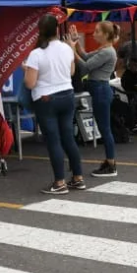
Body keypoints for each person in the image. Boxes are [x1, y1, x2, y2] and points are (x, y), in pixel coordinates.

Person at [25, 14, 85, 194]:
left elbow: (30, 83)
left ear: (39, 31)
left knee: (53, 140)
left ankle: (59, 182)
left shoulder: (36, 53)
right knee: (68, 137)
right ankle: (78, 177)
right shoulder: (66, 49)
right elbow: (72, 70)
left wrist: (26, 69)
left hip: (46, 98)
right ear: (57, 29)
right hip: (67, 94)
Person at [71, 21, 120, 178]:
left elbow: (85, 66)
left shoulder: (108, 52)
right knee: (103, 127)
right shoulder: (103, 49)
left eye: (97, 31)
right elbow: (85, 56)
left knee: (105, 128)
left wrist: (72, 49)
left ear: (106, 35)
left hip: (101, 89)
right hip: (98, 89)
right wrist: (76, 43)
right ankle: (109, 160)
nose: (94, 33)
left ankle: (111, 164)